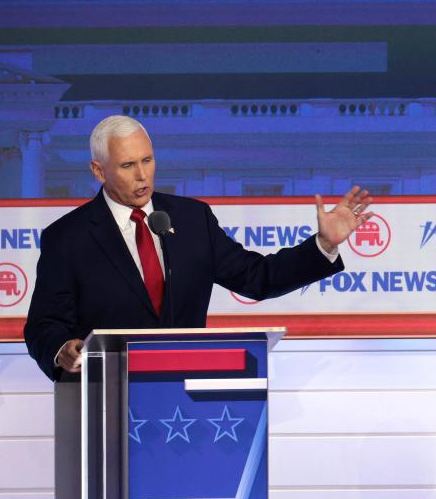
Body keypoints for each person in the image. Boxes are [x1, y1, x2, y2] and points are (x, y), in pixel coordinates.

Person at [23, 115, 372, 380]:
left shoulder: (192, 219)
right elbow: (44, 325)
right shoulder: (68, 237)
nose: (143, 176)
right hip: (106, 397)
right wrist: (62, 350)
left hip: (186, 394)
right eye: (128, 166)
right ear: (99, 171)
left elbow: (258, 277)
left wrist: (323, 244)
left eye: (148, 160)